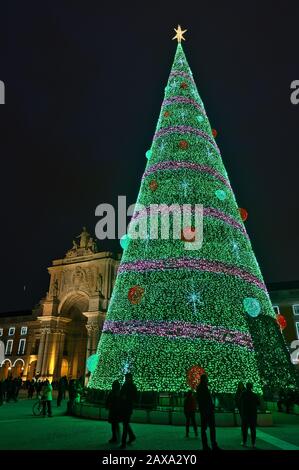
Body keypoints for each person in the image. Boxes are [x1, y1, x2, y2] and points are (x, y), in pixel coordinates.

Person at [196, 374, 220, 451]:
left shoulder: (202, 387)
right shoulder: (201, 388)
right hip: (206, 411)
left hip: (206, 411)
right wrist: (209, 407)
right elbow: (202, 400)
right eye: (207, 379)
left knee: (208, 429)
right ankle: (208, 446)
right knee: (207, 429)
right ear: (204, 379)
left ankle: (209, 445)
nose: (208, 380)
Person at [119, 373, 137, 449]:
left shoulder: (132, 386)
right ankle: (132, 436)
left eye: (127, 377)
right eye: (126, 377)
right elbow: (121, 394)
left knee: (125, 425)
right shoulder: (125, 385)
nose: (126, 379)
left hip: (128, 407)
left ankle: (123, 443)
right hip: (124, 407)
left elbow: (134, 396)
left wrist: (127, 398)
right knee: (125, 423)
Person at [240, 382, 260, 448]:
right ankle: (253, 444)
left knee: (244, 429)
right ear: (252, 387)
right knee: (253, 429)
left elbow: (239, 402)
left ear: (246, 386)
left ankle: (244, 442)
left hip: (245, 414)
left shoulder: (243, 394)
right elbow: (258, 403)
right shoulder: (254, 395)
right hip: (253, 415)